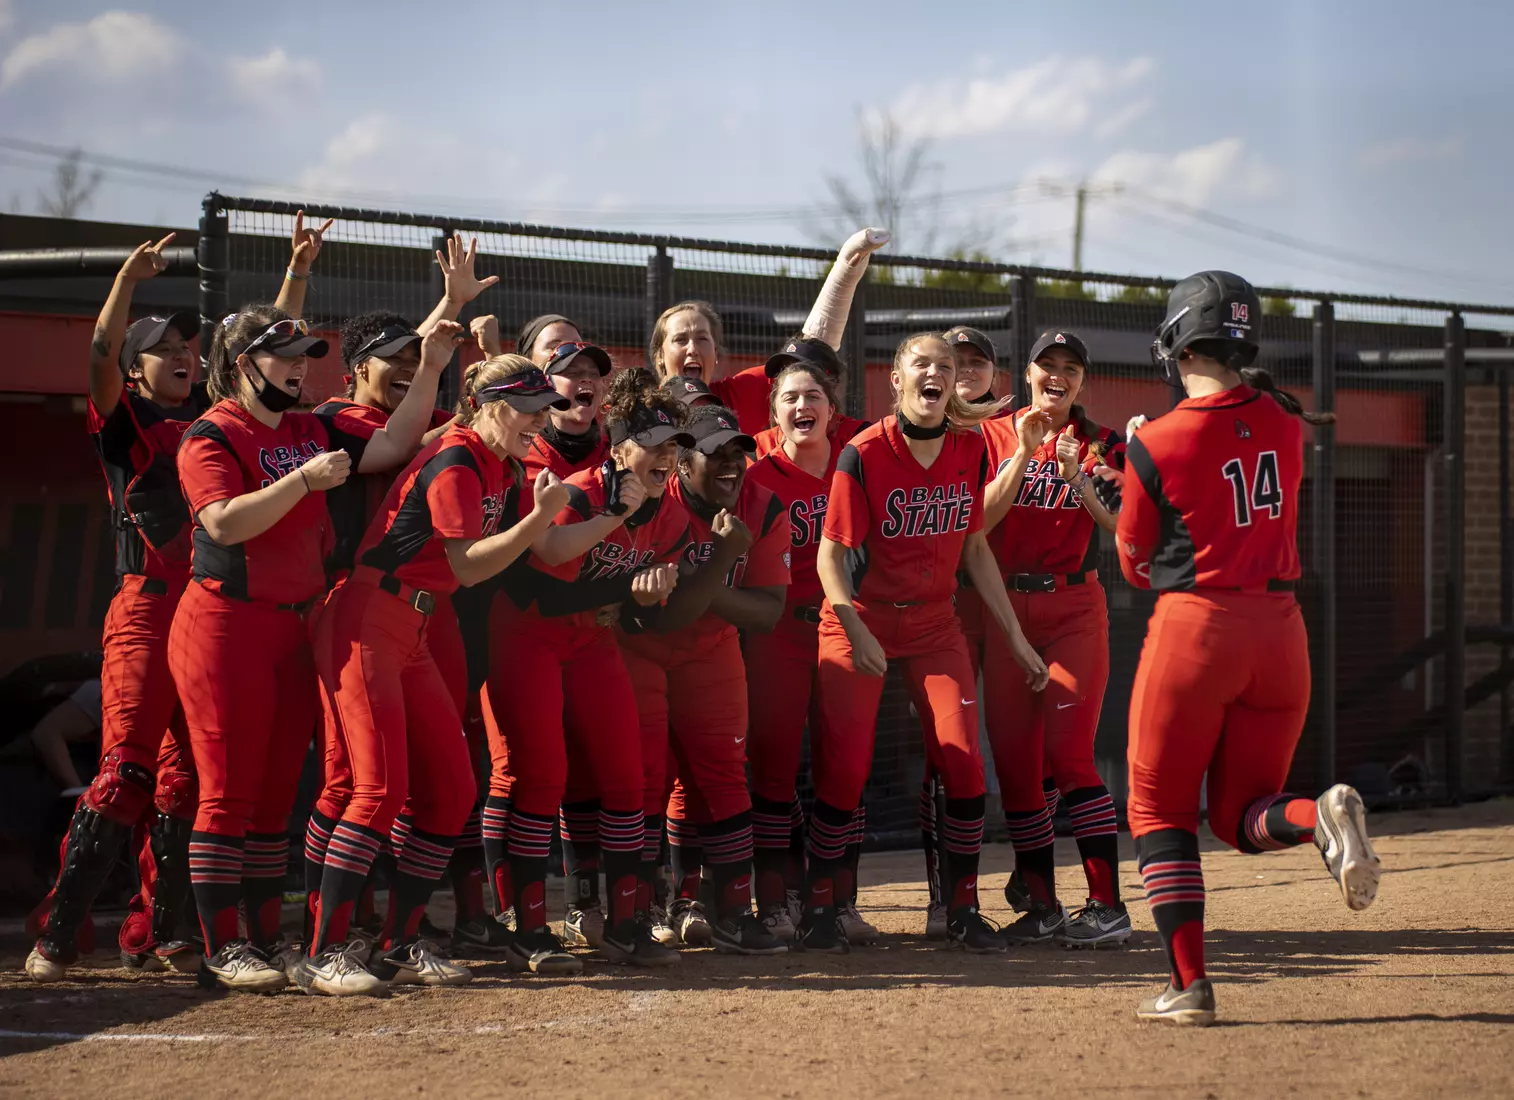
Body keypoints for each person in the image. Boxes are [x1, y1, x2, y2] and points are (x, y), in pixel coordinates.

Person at [24, 222, 313, 983]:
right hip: (149, 608)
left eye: (189, 346)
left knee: (187, 783)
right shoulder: (128, 422)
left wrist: (296, 274)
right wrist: (127, 282)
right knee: (127, 771)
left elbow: (267, 350)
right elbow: (97, 355)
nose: (183, 355)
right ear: (137, 368)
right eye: (163, 348)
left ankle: (159, 929)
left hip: (213, 615)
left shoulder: (217, 419)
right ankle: (57, 932)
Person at [1120, 271, 1382, 1025]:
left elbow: (1136, 565)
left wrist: (1133, 460)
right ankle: (1317, 815)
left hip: (1197, 630)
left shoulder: (1157, 440)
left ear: (1178, 342)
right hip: (1281, 634)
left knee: (1158, 810)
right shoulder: (1284, 420)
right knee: (1242, 815)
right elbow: (1245, 429)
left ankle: (1189, 987)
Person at [168, 305, 455, 993]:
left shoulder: (309, 427)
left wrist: (436, 365)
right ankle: (222, 946)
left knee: (274, 797)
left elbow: (395, 443)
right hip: (225, 623)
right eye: (285, 356)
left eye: (305, 355)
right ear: (244, 365)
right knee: (228, 791)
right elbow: (222, 523)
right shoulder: (209, 434)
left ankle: (271, 942)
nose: (300, 367)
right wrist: (300, 481)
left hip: (297, 624)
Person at [300, 356, 571, 996]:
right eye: (529, 410)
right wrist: (538, 519)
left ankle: (397, 943)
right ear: (491, 407)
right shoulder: (458, 458)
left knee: (451, 791)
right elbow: (469, 565)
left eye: (544, 410)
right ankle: (322, 951)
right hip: (368, 616)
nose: (541, 422)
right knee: (377, 789)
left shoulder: (495, 459)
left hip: (413, 623)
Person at [803, 332, 1048, 954]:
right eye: (922, 363)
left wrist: (1015, 636)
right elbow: (830, 557)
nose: (935, 372)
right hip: (860, 617)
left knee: (963, 761)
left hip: (935, 623)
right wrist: (853, 626)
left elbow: (975, 547)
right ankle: (820, 907)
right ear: (897, 378)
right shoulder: (862, 452)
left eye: (946, 364)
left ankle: (961, 910)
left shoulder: (969, 447)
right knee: (845, 768)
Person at [303, 234, 497, 956]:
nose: (411, 369)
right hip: (352, 604)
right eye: (393, 360)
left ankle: (401, 933)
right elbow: (400, 437)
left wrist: (465, 337)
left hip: (422, 611)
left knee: (439, 778)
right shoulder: (334, 419)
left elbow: (452, 421)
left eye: (416, 360)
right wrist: (444, 326)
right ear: (355, 368)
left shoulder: (428, 421)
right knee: (354, 778)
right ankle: (328, 933)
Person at [483, 369, 694, 973]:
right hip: (526, 636)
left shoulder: (672, 514)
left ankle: (625, 924)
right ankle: (527, 927)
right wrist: (626, 588)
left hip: (589, 641)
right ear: (619, 449)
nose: (665, 456)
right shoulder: (579, 493)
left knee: (629, 775)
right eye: (652, 443)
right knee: (542, 775)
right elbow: (541, 588)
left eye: (674, 445)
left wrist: (644, 601)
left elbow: (637, 614)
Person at [619, 404, 791, 955]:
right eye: (714, 453)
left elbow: (766, 613)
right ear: (682, 461)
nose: (730, 464)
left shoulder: (763, 505)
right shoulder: (654, 498)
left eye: (738, 452)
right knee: (644, 778)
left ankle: (734, 912)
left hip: (712, 650)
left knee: (723, 774)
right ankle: (640, 908)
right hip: (639, 646)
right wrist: (722, 560)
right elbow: (663, 613)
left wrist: (701, 577)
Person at [977, 329, 1129, 948]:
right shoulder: (993, 433)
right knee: (1016, 768)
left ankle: (1107, 906)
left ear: (1082, 381)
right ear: (1029, 374)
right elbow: (979, 521)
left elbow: (1124, 526)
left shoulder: (1102, 443)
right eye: (1048, 365)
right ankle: (1041, 905)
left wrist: (1079, 480)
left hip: (1073, 608)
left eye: (1071, 367)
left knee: (1069, 756)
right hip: (1004, 610)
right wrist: (1022, 454)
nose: (1058, 376)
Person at [472, 317, 620, 949]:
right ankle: (516, 912)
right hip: (518, 624)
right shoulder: (519, 448)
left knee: (597, 770)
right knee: (525, 770)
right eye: (563, 365)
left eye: (591, 370)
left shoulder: (621, 447)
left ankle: (591, 907)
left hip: (592, 632)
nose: (580, 380)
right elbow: (539, 566)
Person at [742, 361, 847, 939]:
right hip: (777, 632)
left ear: (833, 409)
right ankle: (774, 900)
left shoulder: (855, 467)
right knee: (775, 767)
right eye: (789, 397)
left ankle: (836, 901)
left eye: (813, 396)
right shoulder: (757, 477)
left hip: (842, 629)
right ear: (774, 413)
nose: (802, 406)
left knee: (844, 764)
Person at [652, 229, 889, 438]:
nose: (692, 348)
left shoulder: (737, 396)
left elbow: (809, 357)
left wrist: (846, 269)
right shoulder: (642, 410)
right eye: (680, 340)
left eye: (702, 339)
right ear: (660, 356)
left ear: (715, 353)